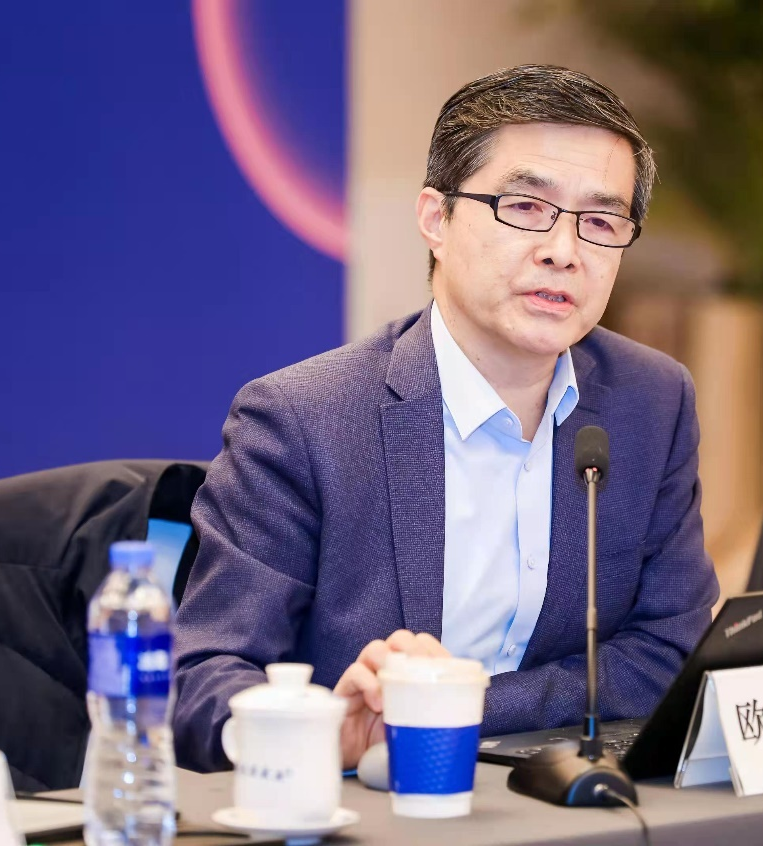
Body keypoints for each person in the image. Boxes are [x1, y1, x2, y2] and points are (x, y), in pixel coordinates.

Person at [172, 65, 720, 772]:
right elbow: (204, 682)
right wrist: (327, 730)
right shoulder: (305, 419)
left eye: (601, 222)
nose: (563, 251)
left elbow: (670, 653)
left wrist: (454, 706)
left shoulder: (652, 400)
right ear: (436, 219)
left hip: (567, 803)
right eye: (526, 207)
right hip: (366, 802)